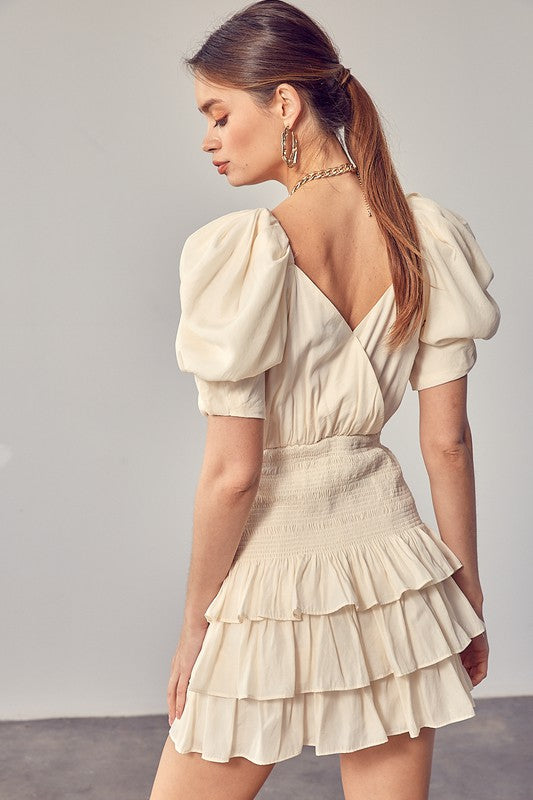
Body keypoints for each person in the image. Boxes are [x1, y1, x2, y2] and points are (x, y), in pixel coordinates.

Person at [148, 1, 501, 798]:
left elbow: (232, 474)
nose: (207, 137)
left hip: (274, 569)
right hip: (395, 564)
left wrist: (195, 624)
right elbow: (447, 441)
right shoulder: (424, 235)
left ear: (283, 102)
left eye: (216, 111)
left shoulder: (240, 254)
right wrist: (462, 586)